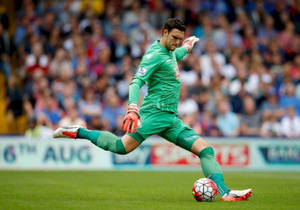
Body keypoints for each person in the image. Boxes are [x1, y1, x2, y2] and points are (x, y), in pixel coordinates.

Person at [53, 18, 252, 201]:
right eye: (174, 38)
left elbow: (176, 54)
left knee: (206, 151)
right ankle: (80, 131)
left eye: (179, 39)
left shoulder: (170, 52)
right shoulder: (154, 54)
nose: (176, 42)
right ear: (164, 32)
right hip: (153, 114)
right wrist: (132, 108)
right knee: (120, 148)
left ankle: (225, 192)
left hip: (171, 118)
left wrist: (187, 47)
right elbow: (136, 81)